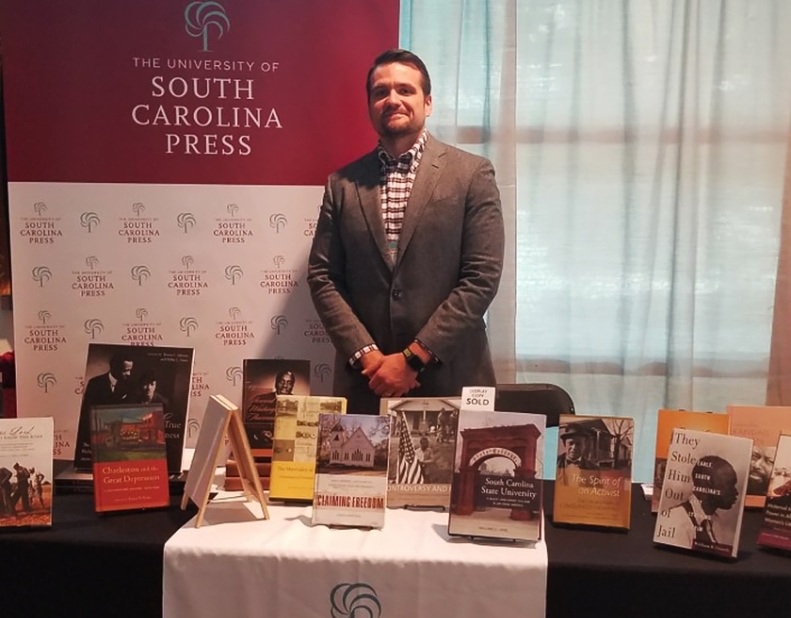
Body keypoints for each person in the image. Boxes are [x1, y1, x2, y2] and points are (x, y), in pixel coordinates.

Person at [308, 49, 504, 415]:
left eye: (405, 90)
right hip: (368, 384)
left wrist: (412, 359)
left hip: (452, 381)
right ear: (369, 105)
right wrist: (369, 357)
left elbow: (481, 278)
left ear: (427, 102)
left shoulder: (472, 174)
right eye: (381, 92)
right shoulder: (342, 184)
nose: (392, 99)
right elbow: (323, 277)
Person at [662, 455, 740, 554]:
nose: (736, 492)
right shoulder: (675, 521)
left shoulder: (716, 523)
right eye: (730, 485)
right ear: (708, 485)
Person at [75, 351, 135, 466]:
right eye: (126, 370)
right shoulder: (95, 383)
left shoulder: (131, 386)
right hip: (98, 437)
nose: (129, 374)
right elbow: (86, 414)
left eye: (130, 370)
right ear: (114, 367)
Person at [245, 369, 298, 450]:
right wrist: (261, 433)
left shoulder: (299, 402)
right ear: (276, 383)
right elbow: (248, 425)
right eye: (282, 382)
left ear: (293, 386)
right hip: (264, 448)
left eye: (289, 383)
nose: (285, 386)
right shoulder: (260, 400)